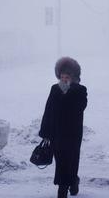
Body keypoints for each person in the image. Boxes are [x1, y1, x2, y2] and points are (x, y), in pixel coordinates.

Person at [39, 57, 87, 198]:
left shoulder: (80, 90)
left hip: (73, 134)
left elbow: (80, 107)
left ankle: (69, 185)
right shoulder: (54, 89)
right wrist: (45, 131)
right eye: (62, 76)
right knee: (61, 161)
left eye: (67, 76)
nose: (64, 79)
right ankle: (66, 186)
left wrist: (69, 91)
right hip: (56, 133)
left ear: (73, 77)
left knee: (71, 160)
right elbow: (48, 110)